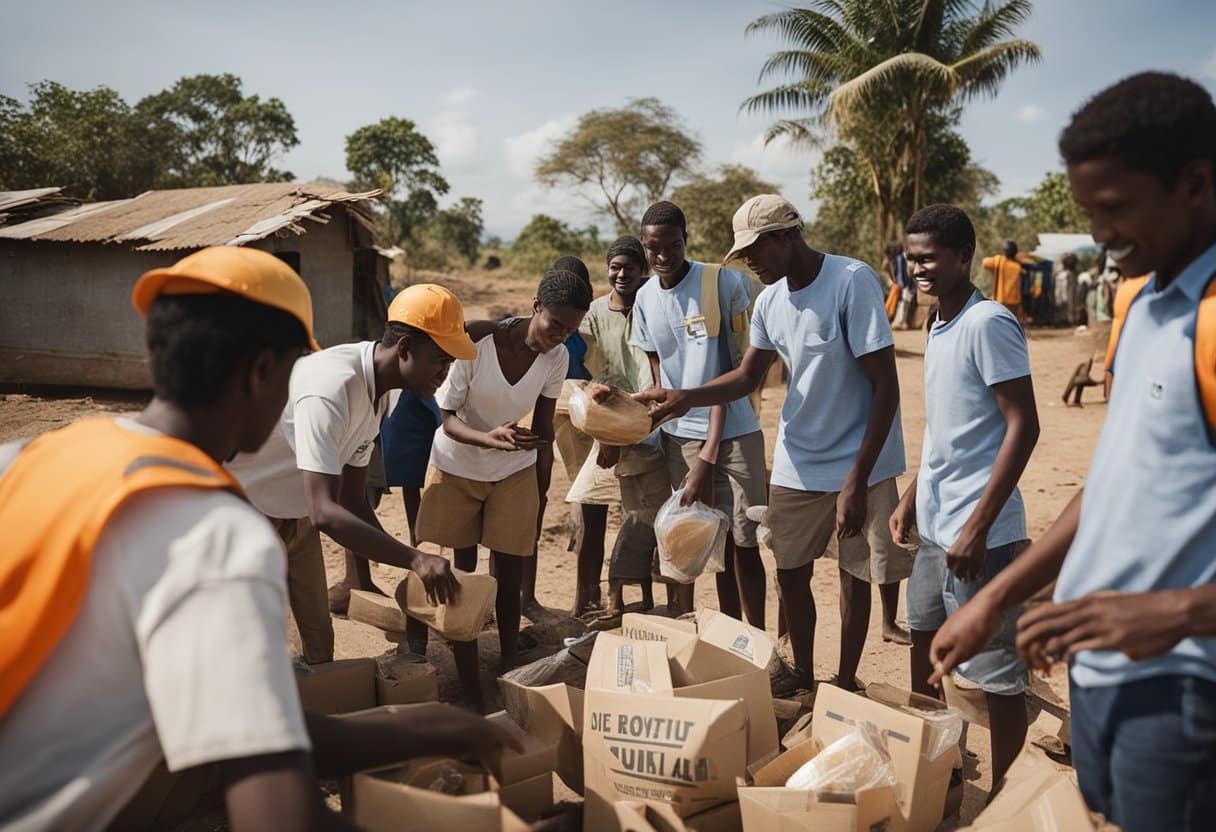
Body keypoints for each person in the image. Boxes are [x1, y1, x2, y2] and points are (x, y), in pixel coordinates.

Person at [0, 247, 519, 831]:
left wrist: (418, 728)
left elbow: (238, 724)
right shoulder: (216, 539)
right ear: (263, 371)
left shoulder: (23, 460)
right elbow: (277, 814)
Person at [929, 72, 1216, 831]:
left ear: (1195, 182)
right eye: (1088, 213)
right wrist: (996, 596)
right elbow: (1113, 485)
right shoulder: (1139, 301)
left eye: (1115, 209)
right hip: (1096, 672)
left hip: (1184, 693)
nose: (1097, 235)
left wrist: (1180, 612)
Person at [639, 194, 911, 692]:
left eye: (755, 249)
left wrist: (857, 480)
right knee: (789, 569)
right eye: (742, 254)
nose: (749, 262)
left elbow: (885, 386)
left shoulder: (851, 281)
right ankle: (804, 675)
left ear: (788, 236)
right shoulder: (769, 300)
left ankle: (845, 680)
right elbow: (747, 376)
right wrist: (684, 397)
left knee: (854, 574)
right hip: (798, 457)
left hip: (862, 460)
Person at [224, 284, 473, 666]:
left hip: (298, 517)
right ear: (405, 348)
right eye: (440, 359)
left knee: (319, 643)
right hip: (245, 514)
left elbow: (352, 500)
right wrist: (414, 560)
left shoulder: (384, 393)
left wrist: (411, 560)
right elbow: (327, 511)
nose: (445, 372)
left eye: (451, 363)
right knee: (252, 644)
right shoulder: (331, 390)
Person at [891, 204, 1040, 791]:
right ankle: (939, 771)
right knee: (926, 645)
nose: (919, 268)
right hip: (934, 525)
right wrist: (910, 495)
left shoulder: (988, 322)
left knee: (995, 668)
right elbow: (945, 429)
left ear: (962, 257)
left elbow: (1023, 426)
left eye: (929, 258)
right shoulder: (937, 322)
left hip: (982, 535)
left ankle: (1008, 793)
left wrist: (978, 527)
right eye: (911, 258)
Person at [411, 268, 591, 700]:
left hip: (511, 467)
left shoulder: (557, 358)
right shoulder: (476, 346)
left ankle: (508, 659)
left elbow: (545, 426)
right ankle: (438, 653)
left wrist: (530, 441)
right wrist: (488, 437)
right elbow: (448, 418)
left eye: (570, 330)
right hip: (457, 464)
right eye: (555, 325)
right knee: (458, 568)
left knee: (509, 570)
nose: (560, 336)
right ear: (535, 308)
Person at [629, 200, 769, 623]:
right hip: (681, 439)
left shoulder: (722, 283)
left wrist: (708, 456)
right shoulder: (645, 300)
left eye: (674, 245)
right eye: (654, 248)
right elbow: (658, 378)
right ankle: (724, 634)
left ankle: (756, 633)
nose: (664, 256)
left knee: (744, 543)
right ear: (644, 245)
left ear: (685, 240)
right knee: (699, 538)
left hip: (735, 434)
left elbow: (733, 373)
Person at [570, 237, 670, 621]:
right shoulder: (594, 313)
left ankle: (640, 596)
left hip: (651, 421)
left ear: (642, 270)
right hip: (606, 419)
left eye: (630, 267)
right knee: (590, 506)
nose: (621, 274)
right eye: (615, 267)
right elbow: (587, 373)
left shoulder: (654, 305)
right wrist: (607, 433)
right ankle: (588, 597)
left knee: (643, 513)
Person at [380, 389, 443, 544]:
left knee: (439, 480)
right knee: (410, 479)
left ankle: (421, 536)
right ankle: (415, 536)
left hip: (430, 406)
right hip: (406, 409)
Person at [1101, 272, 1152, 398]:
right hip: (1133, 329)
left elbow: (1109, 306)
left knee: (1111, 366)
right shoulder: (1148, 283)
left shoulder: (1124, 283)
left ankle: (1110, 400)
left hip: (1118, 327)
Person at [982, 239, 1025, 320]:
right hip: (1014, 302)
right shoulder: (1017, 266)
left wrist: (998, 258)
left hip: (1000, 300)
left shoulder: (998, 261)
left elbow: (984, 262)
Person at [1053, 252, 1080, 326]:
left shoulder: (1064, 275)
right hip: (1064, 293)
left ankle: (1068, 320)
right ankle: (1067, 320)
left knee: (1069, 304)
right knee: (1067, 304)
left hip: (1066, 293)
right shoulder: (1064, 275)